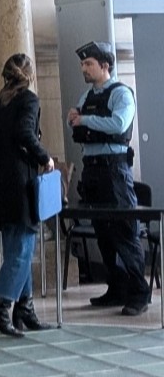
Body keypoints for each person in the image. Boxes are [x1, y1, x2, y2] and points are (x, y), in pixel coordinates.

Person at [67, 41, 149, 316]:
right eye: (82, 64)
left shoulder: (121, 94)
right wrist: (74, 118)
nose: (84, 69)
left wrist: (85, 121)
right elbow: (76, 119)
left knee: (124, 233)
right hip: (92, 169)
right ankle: (117, 288)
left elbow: (118, 124)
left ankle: (139, 293)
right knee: (103, 234)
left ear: (105, 66)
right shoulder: (86, 96)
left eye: (88, 64)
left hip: (114, 170)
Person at [0, 53, 55, 338]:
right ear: (30, 75)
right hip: (18, 178)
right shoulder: (28, 100)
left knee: (15, 245)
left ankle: (24, 308)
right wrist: (45, 157)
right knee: (23, 247)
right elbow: (25, 132)